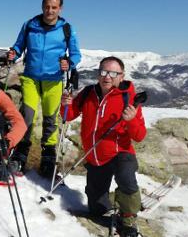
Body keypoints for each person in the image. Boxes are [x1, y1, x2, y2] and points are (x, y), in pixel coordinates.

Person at [61, 57, 146, 237]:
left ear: (121, 76)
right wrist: (65, 105)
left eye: (113, 73)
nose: (107, 77)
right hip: (94, 156)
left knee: (126, 178)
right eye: (104, 72)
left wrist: (131, 121)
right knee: (96, 210)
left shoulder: (129, 98)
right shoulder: (88, 93)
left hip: (120, 153)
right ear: (98, 73)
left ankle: (129, 220)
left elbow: (139, 136)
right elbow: (68, 116)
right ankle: (112, 205)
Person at [7, 0, 81, 178]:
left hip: (54, 80)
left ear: (60, 8)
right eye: (47, 6)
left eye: (54, 7)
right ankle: (21, 153)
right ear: (42, 6)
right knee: (27, 116)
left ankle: (48, 156)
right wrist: (13, 54)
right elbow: (18, 46)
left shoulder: (67, 29)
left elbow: (75, 54)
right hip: (31, 78)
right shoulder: (30, 25)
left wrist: (69, 63)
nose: (50, 10)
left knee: (50, 119)